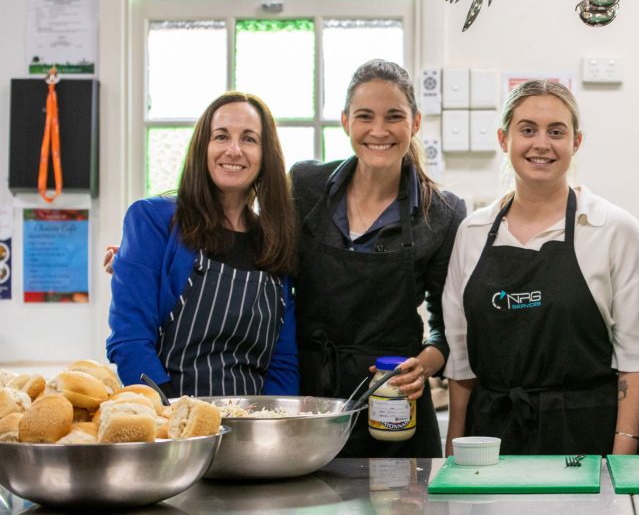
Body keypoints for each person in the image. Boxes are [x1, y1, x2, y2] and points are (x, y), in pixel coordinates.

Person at [442, 79, 639, 456]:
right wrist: (452, 459)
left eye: (556, 132)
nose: (541, 144)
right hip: (490, 443)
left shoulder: (613, 229)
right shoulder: (473, 231)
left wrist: (621, 461)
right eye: (527, 130)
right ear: (503, 138)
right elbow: (462, 365)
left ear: (576, 142)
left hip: (583, 439)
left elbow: (634, 362)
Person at [290, 59, 466, 458]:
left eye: (394, 117)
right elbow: (248, 238)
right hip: (309, 401)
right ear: (345, 121)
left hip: (393, 402)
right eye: (365, 116)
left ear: (416, 122)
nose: (379, 131)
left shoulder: (442, 213)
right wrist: (151, 244)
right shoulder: (306, 186)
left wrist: (424, 365)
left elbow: (448, 327)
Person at [106, 91, 299, 397]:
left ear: (266, 155)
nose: (233, 150)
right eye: (221, 137)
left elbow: (283, 361)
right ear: (203, 148)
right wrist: (173, 420)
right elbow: (130, 340)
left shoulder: (273, 240)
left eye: (249, 139)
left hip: (254, 429)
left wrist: (273, 427)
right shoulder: (152, 221)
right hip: (171, 427)